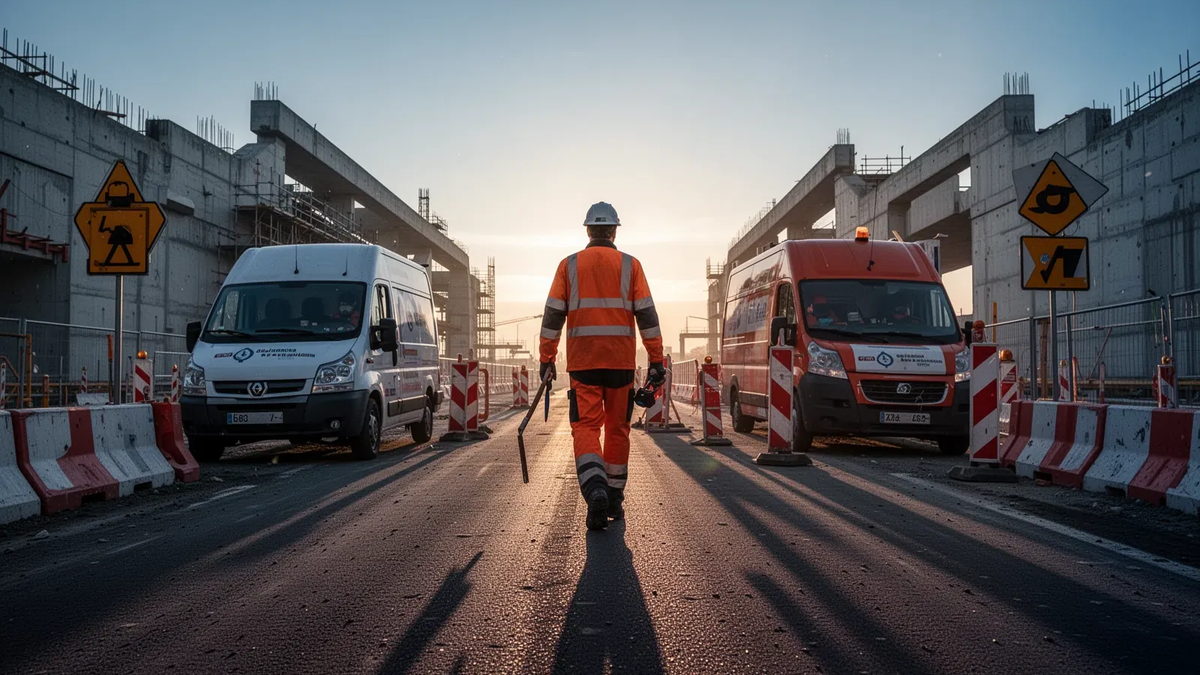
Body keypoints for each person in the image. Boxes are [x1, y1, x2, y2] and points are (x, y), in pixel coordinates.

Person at [539, 202, 665, 531]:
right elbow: (648, 317)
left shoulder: (568, 266)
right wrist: (656, 360)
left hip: (582, 364)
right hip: (621, 364)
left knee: (585, 428)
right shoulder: (630, 265)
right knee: (618, 429)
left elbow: (553, 316)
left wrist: (546, 358)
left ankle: (594, 488)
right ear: (613, 231)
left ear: (587, 231)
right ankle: (613, 498)